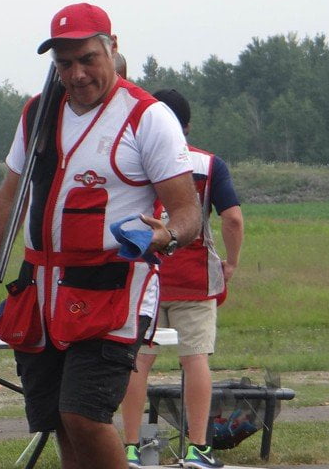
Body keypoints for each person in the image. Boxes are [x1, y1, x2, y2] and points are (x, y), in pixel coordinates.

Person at [0, 3, 202, 469]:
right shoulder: (37, 114)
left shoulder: (147, 117)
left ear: (113, 48)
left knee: (84, 415)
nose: (77, 73)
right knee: (60, 422)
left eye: (88, 58)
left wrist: (165, 235)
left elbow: (190, 213)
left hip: (111, 292)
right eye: (64, 63)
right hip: (42, 295)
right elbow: (9, 198)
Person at [120, 89, 244, 469]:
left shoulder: (133, 161)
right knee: (195, 359)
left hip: (146, 278)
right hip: (195, 280)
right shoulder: (209, 164)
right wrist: (232, 263)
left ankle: (130, 449)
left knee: (138, 361)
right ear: (186, 126)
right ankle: (197, 448)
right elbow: (233, 218)